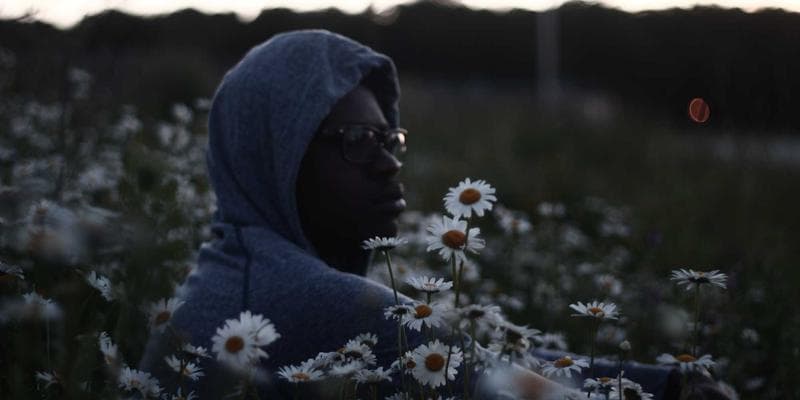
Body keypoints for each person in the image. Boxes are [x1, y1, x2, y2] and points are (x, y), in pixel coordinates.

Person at [140, 30, 728, 400]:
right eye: (354, 140)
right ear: (276, 155)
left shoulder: (235, 266)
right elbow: (500, 379)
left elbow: (494, 357)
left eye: (388, 138)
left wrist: (666, 382)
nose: (388, 165)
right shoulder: (317, 303)